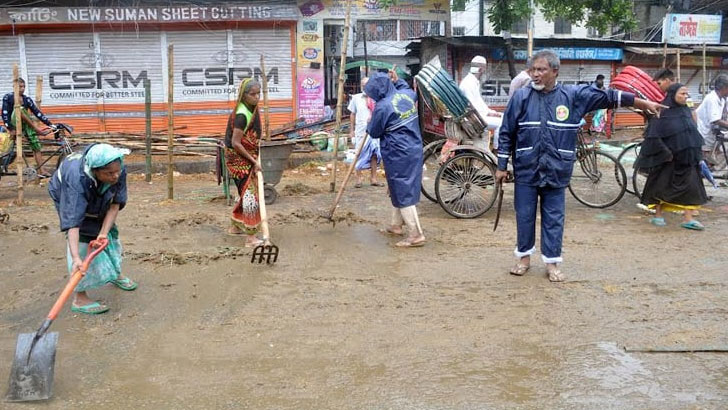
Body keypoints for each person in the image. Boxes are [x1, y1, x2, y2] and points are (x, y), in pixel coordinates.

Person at [495, 50, 666, 282]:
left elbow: (610, 96)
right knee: (524, 215)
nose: (536, 74)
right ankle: (523, 258)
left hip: (557, 168)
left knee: (554, 217)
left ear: (555, 71)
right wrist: (502, 165)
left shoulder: (573, 95)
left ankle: (552, 263)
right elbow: (506, 132)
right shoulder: (521, 97)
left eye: (541, 70)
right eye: (533, 70)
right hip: (527, 168)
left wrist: (643, 103)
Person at [48, 143, 137, 314]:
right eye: (109, 173)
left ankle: (114, 274)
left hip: (97, 190)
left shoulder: (118, 167)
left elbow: (115, 204)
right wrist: (75, 257)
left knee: (110, 233)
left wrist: (103, 233)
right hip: (65, 191)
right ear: (95, 170)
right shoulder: (77, 180)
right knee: (83, 238)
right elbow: (73, 222)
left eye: (117, 171)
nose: (115, 176)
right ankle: (80, 298)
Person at [365, 70, 426, 248]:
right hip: (413, 147)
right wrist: (397, 80)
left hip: (397, 152)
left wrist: (370, 123)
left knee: (402, 189)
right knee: (397, 187)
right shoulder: (406, 94)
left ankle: (416, 234)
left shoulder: (382, 107)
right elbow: (406, 87)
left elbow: (374, 132)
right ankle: (396, 225)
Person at [637, 83, 708, 230]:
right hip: (669, 159)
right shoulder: (662, 112)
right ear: (672, 94)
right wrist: (666, 153)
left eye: (686, 94)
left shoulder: (687, 111)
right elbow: (654, 135)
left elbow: (692, 133)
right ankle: (658, 215)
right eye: (682, 94)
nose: (685, 96)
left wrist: (698, 155)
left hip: (688, 158)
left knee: (692, 187)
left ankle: (688, 218)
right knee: (661, 187)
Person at [224, 78, 264, 247]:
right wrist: (254, 161)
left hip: (245, 155)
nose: (257, 97)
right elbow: (236, 142)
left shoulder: (251, 109)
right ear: (243, 95)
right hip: (238, 158)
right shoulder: (242, 114)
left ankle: (235, 227)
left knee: (244, 191)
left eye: (258, 93)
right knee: (250, 196)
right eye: (252, 94)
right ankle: (251, 238)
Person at [2, 77, 54, 176]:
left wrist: (50, 124)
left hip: (25, 125)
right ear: (14, 87)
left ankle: (41, 170)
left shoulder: (27, 99)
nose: (22, 89)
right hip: (14, 124)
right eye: (20, 86)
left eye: (24, 86)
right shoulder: (8, 97)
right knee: (20, 109)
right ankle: (37, 130)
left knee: (36, 147)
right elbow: (5, 115)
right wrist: (10, 129)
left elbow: (37, 113)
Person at [459, 55, 503, 149]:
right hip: (475, 119)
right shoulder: (468, 83)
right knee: (503, 123)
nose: (484, 71)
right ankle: (498, 149)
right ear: (481, 69)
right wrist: (488, 114)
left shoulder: (473, 81)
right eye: (484, 68)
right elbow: (473, 106)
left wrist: (491, 112)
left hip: (478, 115)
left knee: (503, 116)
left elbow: (479, 102)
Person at [347, 77, 383, 188]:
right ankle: (358, 178)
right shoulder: (356, 98)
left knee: (374, 154)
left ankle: (373, 178)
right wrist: (351, 130)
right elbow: (352, 114)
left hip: (374, 131)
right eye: (363, 85)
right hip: (361, 131)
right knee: (358, 153)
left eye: (367, 84)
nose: (365, 87)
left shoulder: (377, 98)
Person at [696, 74, 728, 166]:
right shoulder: (712, 99)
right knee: (704, 155)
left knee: (711, 153)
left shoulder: (722, 99)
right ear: (724, 88)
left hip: (711, 131)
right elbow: (715, 120)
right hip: (703, 130)